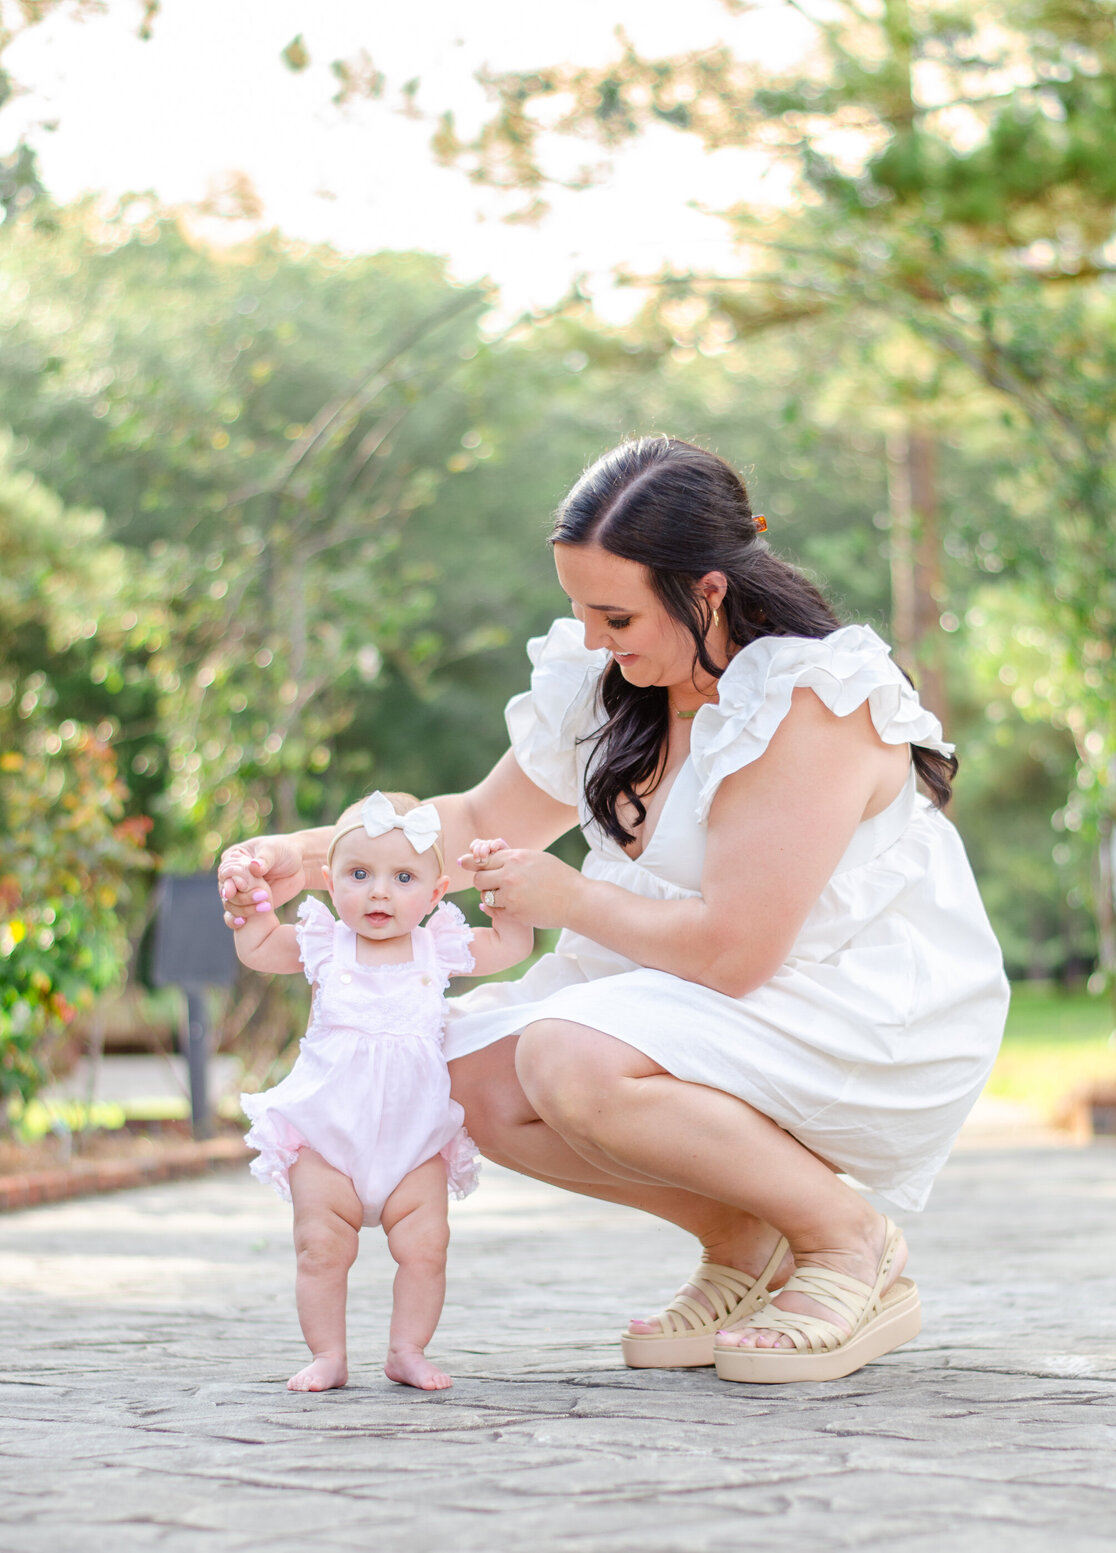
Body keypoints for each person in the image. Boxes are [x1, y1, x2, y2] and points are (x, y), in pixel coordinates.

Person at [220, 436, 1009, 1387]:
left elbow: (736, 951)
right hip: (692, 984)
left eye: (616, 612)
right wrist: (299, 860)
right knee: (455, 1067)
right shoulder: (621, 679)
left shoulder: (807, 704)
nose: (595, 636)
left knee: (566, 1055)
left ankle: (849, 1245)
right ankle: (746, 1243)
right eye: (579, 608)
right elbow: (475, 820)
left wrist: (570, 898)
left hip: (854, 1001)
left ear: (706, 590)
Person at [229, 789, 532, 1393]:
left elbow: (512, 947)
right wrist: (251, 903)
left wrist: (505, 892)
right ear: (328, 879)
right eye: (360, 874)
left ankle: (406, 1349)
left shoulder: (436, 947)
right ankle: (328, 1355)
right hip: (327, 1137)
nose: (379, 892)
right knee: (320, 1247)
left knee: (427, 1247)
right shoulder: (324, 943)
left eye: (403, 877)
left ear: (438, 891)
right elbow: (260, 947)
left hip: (412, 1143)